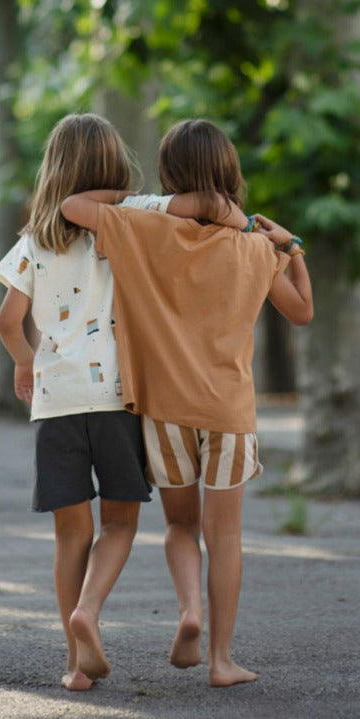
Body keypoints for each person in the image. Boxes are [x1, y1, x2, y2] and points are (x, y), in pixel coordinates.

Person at [61, 118, 313, 687]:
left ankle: (188, 612)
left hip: (165, 410)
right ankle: (222, 660)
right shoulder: (255, 247)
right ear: (230, 174)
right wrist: (290, 245)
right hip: (229, 411)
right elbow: (301, 311)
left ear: (171, 177)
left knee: (180, 524)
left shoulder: (143, 228)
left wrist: (145, 200)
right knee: (225, 536)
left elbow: (74, 205)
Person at [0, 113, 240, 691]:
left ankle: (76, 663)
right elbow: (202, 203)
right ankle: (91, 608)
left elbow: (7, 320)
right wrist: (137, 196)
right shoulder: (132, 218)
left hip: (55, 402)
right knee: (120, 524)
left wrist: (25, 362)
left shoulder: (34, 238)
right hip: (115, 398)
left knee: (69, 534)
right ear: (112, 169)